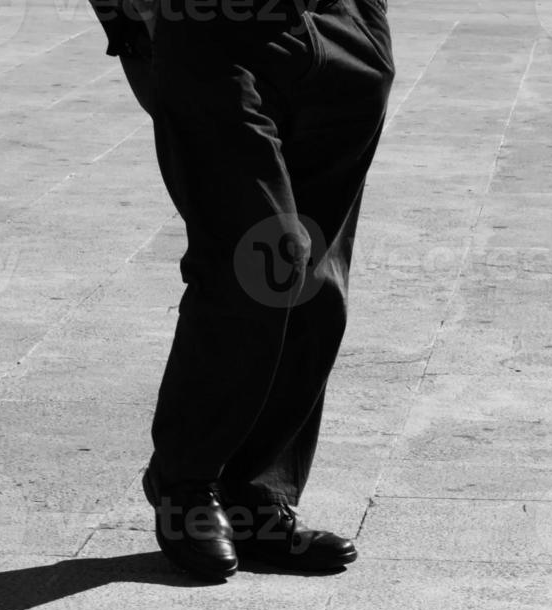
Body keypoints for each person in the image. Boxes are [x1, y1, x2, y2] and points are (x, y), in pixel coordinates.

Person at [88, 0, 393, 579]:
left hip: (343, 27)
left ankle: (255, 493)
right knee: (255, 259)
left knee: (316, 284)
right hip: (212, 30)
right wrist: (129, 23)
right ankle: (187, 482)